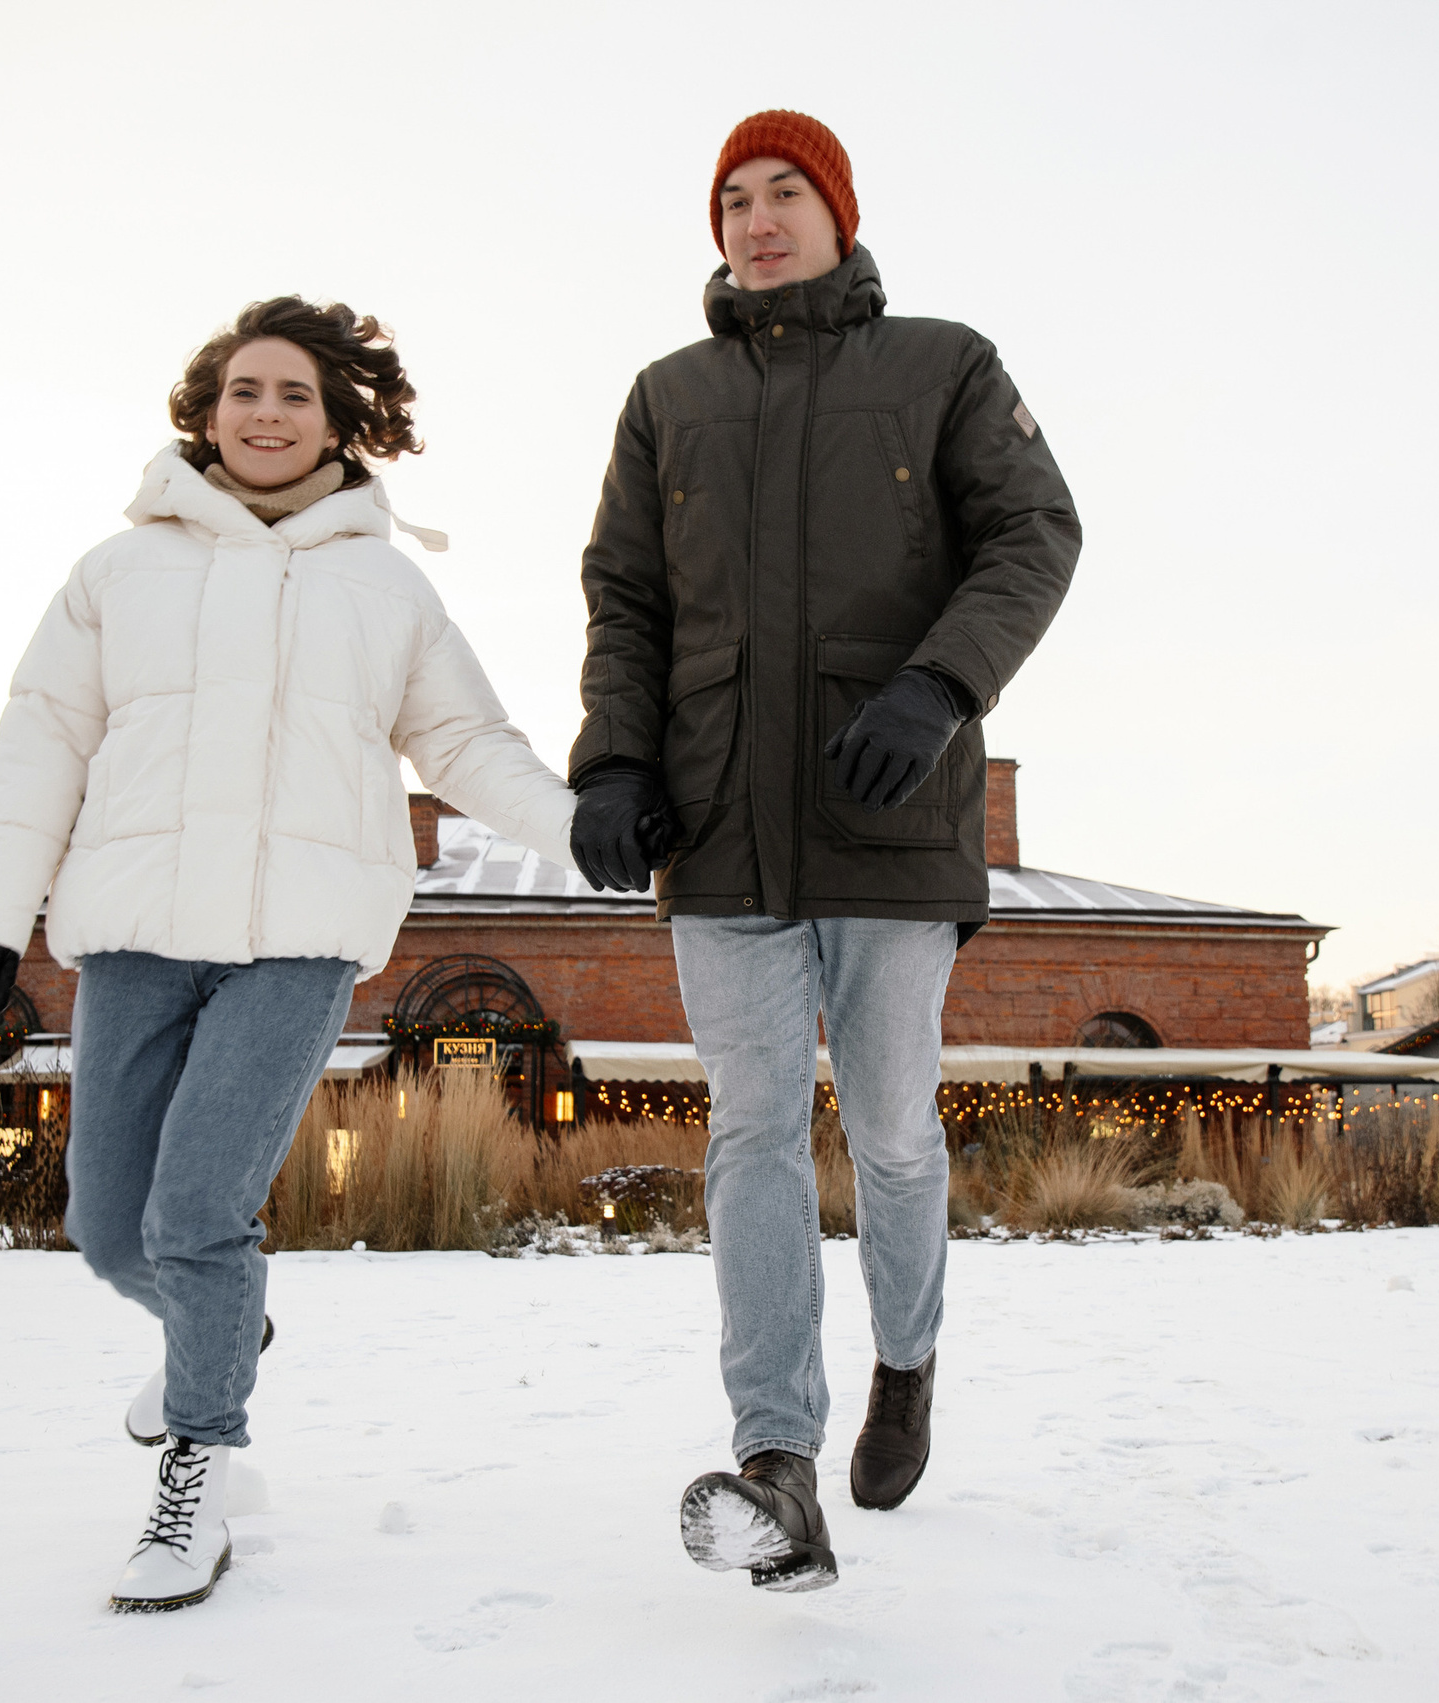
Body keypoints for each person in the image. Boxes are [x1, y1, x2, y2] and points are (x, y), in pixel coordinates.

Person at [0, 298, 576, 1612]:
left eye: (295, 394)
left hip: (296, 945)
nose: (267, 414)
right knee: (108, 1228)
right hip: (135, 938)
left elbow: (463, 743)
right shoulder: (119, 569)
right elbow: (41, 741)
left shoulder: (385, 583)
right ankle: (225, 1331)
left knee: (197, 1215)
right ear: (204, 411)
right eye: (244, 391)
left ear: (341, 419)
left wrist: (590, 829)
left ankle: (200, 1474)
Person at [567, 111, 1081, 1592]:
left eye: (786, 189)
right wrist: (612, 759)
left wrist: (937, 688)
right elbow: (626, 599)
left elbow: (1036, 532)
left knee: (895, 1132)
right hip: (720, 826)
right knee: (749, 1135)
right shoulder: (670, 397)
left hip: (889, 813)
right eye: (733, 197)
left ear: (840, 212)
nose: (757, 216)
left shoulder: (943, 365)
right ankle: (776, 1461)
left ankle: (905, 1361)